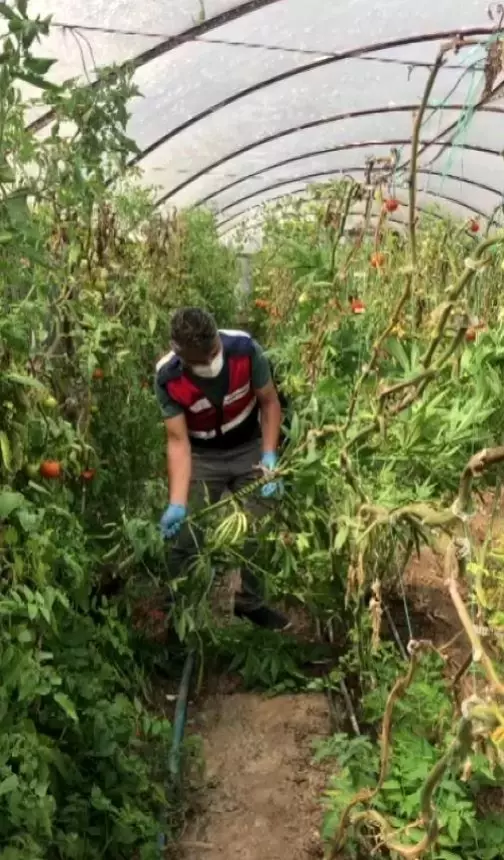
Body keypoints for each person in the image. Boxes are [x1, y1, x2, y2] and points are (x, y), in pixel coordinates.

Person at [154, 307, 289, 630]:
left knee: (260, 526)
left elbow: (269, 402)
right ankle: (178, 612)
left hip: (247, 447)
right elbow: (177, 441)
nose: (213, 361)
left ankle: (250, 601)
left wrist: (269, 456)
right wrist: (177, 501)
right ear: (183, 356)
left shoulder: (244, 350)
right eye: (204, 359)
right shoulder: (169, 376)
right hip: (202, 455)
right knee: (185, 536)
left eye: (214, 352)